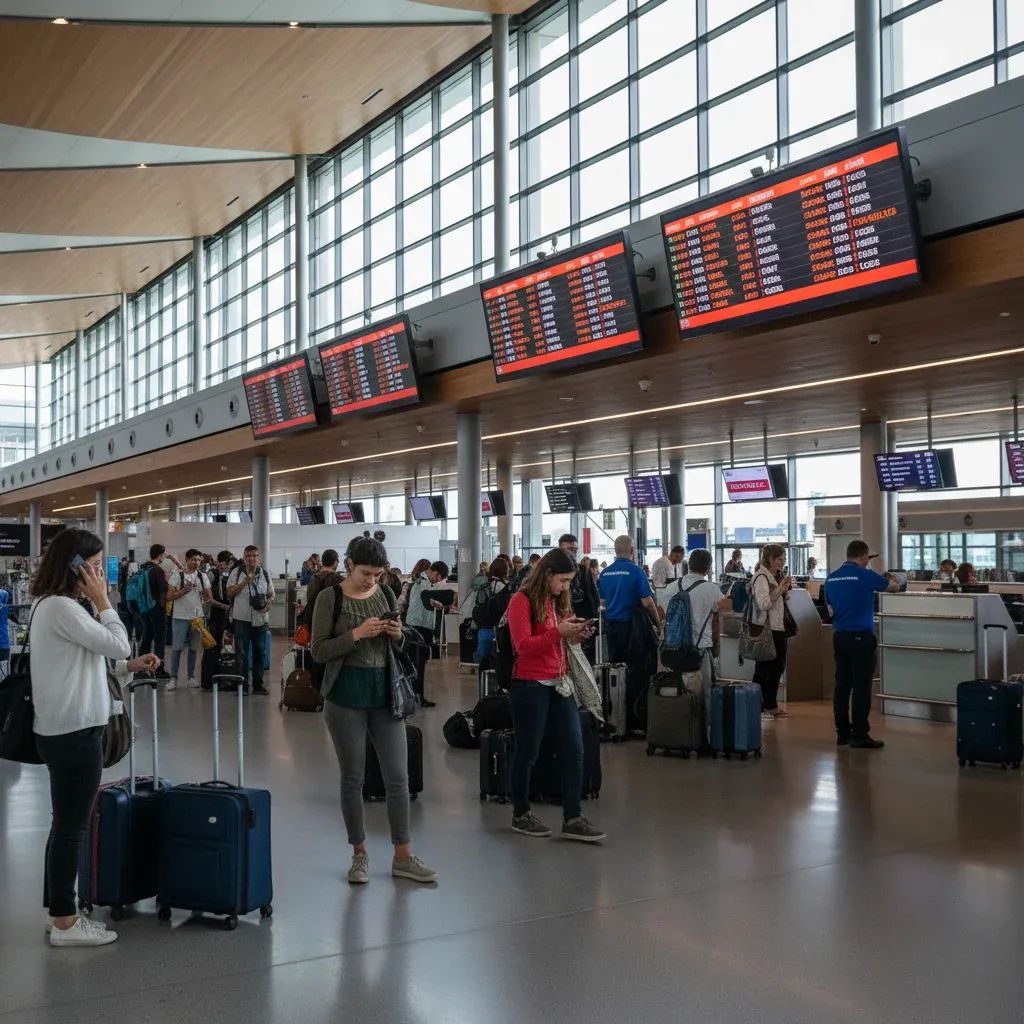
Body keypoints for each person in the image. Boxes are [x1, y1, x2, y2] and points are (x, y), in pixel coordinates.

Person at [30, 528, 159, 947]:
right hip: (74, 733)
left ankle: (59, 909)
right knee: (72, 827)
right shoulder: (64, 608)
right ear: (76, 568)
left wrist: (130, 668)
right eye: (97, 565)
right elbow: (118, 643)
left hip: (64, 728)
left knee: (64, 824)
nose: (102, 574)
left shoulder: (53, 607)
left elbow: (88, 664)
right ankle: (65, 922)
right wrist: (105, 603)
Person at [311, 536, 436, 885]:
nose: (372, 581)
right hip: (344, 695)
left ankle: (403, 854)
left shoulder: (385, 594)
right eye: (366, 573)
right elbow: (318, 651)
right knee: (353, 777)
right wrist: (357, 634)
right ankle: (359, 853)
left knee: (398, 776)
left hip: (385, 695)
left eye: (378, 574)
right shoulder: (329, 598)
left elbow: (397, 645)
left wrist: (396, 634)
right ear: (349, 565)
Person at [506, 548, 605, 842]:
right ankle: (520, 812)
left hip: (560, 682)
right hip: (530, 685)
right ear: (547, 574)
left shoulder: (556, 602)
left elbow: (558, 640)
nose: (566, 587)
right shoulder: (520, 602)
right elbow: (523, 646)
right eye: (562, 581)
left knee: (575, 748)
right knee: (528, 751)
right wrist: (559, 633)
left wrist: (574, 634)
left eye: (569, 582)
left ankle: (573, 816)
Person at [824, 540, 899, 749]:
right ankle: (859, 734)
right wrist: (889, 579)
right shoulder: (865, 575)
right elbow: (894, 587)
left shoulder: (831, 578)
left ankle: (842, 733)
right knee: (861, 687)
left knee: (842, 686)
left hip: (839, 637)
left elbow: (829, 609)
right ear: (864, 557)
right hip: (861, 638)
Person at [598, 535, 662, 729]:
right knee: (636, 672)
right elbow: (647, 602)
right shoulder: (636, 571)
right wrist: (657, 623)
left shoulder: (605, 573)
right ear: (632, 550)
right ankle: (635, 718)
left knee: (616, 671)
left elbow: (602, 603)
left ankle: (617, 717)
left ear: (615, 551)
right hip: (633, 629)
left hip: (611, 628)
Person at [676, 549, 724, 707]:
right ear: (708, 567)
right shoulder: (712, 589)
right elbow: (722, 613)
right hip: (700, 648)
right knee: (704, 695)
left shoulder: (672, 586)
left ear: (689, 564)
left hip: (674, 649)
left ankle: (681, 727)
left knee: (678, 692)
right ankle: (703, 730)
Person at [750, 544, 793, 720]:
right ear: (769, 559)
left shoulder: (773, 576)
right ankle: (762, 705)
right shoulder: (761, 577)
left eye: (784, 560)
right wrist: (780, 589)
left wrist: (784, 592)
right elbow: (764, 604)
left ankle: (768, 704)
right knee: (766, 668)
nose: (782, 564)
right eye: (779, 560)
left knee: (775, 667)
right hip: (769, 629)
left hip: (777, 627)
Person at [225, 544, 275, 695]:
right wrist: (244, 582)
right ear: (244, 557)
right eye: (248, 556)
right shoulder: (236, 573)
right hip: (241, 619)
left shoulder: (265, 574)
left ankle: (258, 685)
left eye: (254, 556)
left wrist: (267, 606)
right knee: (241, 654)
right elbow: (229, 593)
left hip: (260, 620)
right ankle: (243, 687)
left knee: (260, 653)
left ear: (258, 558)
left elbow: (271, 595)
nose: (251, 559)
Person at [401, 559, 450, 708]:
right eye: (439, 578)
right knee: (418, 664)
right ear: (435, 572)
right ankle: (417, 698)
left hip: (418, 625)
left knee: (417, 664)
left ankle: (417, 697)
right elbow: (426, 599)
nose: (438, 581)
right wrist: (437, 603)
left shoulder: (421, 581)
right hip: (419, 627)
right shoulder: (422, 582)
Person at [167, 548, 212, 691]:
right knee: (176, 648)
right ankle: (173, 678)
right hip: (179, 617)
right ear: (187, 560)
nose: (196, 563)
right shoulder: (177, 576)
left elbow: (209, 597)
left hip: (197, 618)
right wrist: (183, 591)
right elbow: (168, 597)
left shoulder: (202, 577)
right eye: (194, 559)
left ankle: (191, 677)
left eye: (199, 560)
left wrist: (203, 593)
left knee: (193, 649)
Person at [138, 543, 171, 676]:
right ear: (160, 555)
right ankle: (158, 668)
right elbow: (164, 589)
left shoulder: (143, 568)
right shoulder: (157, 570)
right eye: (163, 554)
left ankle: (141, 667)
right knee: (160, 637)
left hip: (144, 608)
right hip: (156, 607)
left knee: (147, 636)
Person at [473, 556, 510, 667]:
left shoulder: (484, 582)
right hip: (498, 625)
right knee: (496, 657)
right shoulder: (503, 586)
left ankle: (483, 681)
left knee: (483, 658)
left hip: (483, 623)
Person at [397, 559, 432, 623]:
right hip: (426, 622)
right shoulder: (431, 587)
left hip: (410, 621)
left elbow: (400, 606)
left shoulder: (407, 586)